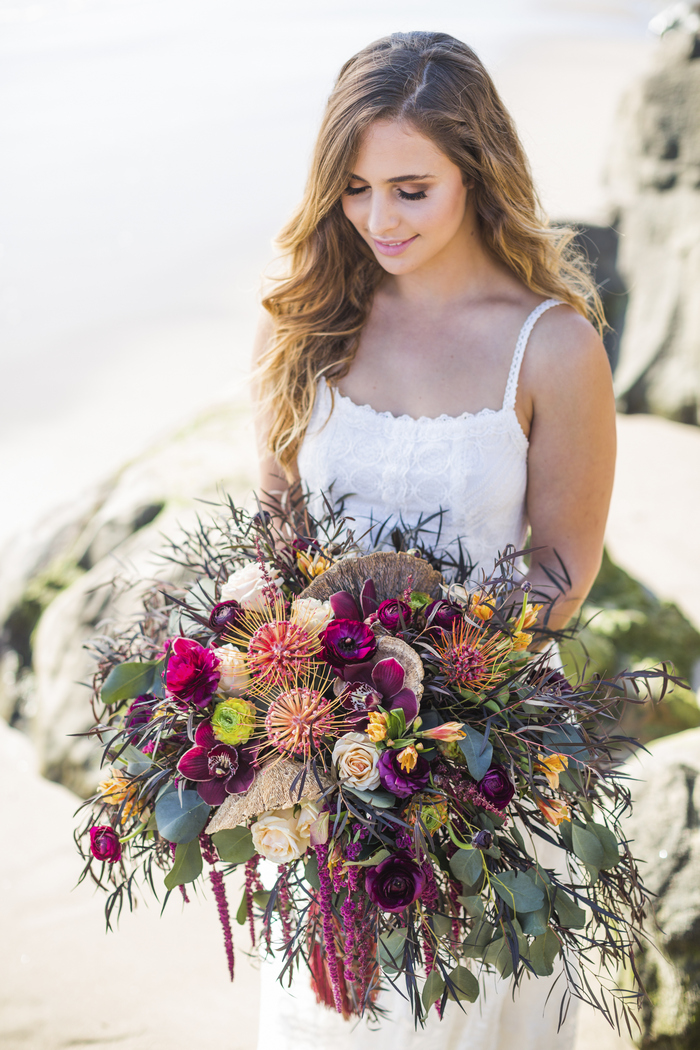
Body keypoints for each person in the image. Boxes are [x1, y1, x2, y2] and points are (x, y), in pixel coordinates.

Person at [251, 30, 616, 1050]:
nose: (378, 218)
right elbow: (278, 532)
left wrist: (440, 690)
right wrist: (304, 691)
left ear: (475, 171)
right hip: (321, 763)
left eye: (411, 189)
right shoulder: (303, 323)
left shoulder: (552, 343)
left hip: (476, 766)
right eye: (355, 189)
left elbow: (563, 568)